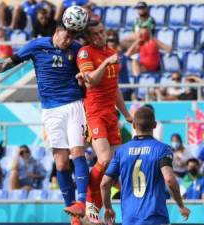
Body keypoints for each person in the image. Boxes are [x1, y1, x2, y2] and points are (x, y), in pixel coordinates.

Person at [0, 22, 90, 225]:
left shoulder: (77, 50)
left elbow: (89, 77)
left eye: (73, 35)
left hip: (74, 105)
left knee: (78, 153)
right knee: (61, 163)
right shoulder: (36, 46)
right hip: (51, 111)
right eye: (67, 34)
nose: (69, 39)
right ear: (57, 31)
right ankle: (73, 212)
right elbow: (4, 65)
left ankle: (82, 202)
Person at [76, 20, 132, 224]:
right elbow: (91, 80)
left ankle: (99, 211)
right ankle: (90, 203)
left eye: (101, 32)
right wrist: (106, 63)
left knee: (119, 165)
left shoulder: (111, 52)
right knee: (106, 159)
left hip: (111, 115)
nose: (100, 36)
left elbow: (114, 87)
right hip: (94, 113)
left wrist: (125, 113)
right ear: (88, 37)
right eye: (95, 34)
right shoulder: (85, 53)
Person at [100, 106, 190, 225]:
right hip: (155, 218)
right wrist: (181, 205)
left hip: (130, 219)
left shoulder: (121, 151)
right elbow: (169, 179)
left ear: (133, 125)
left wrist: (107, 208)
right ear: (155, 125)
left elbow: (104, 184)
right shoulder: (162, 149)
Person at [106, 29, 133, 101]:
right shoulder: (102, 55)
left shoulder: (120, 55)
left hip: (123, 90)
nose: (111, 42)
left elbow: (118, 68)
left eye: (113, 40)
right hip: (109, 91)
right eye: (109, 40)